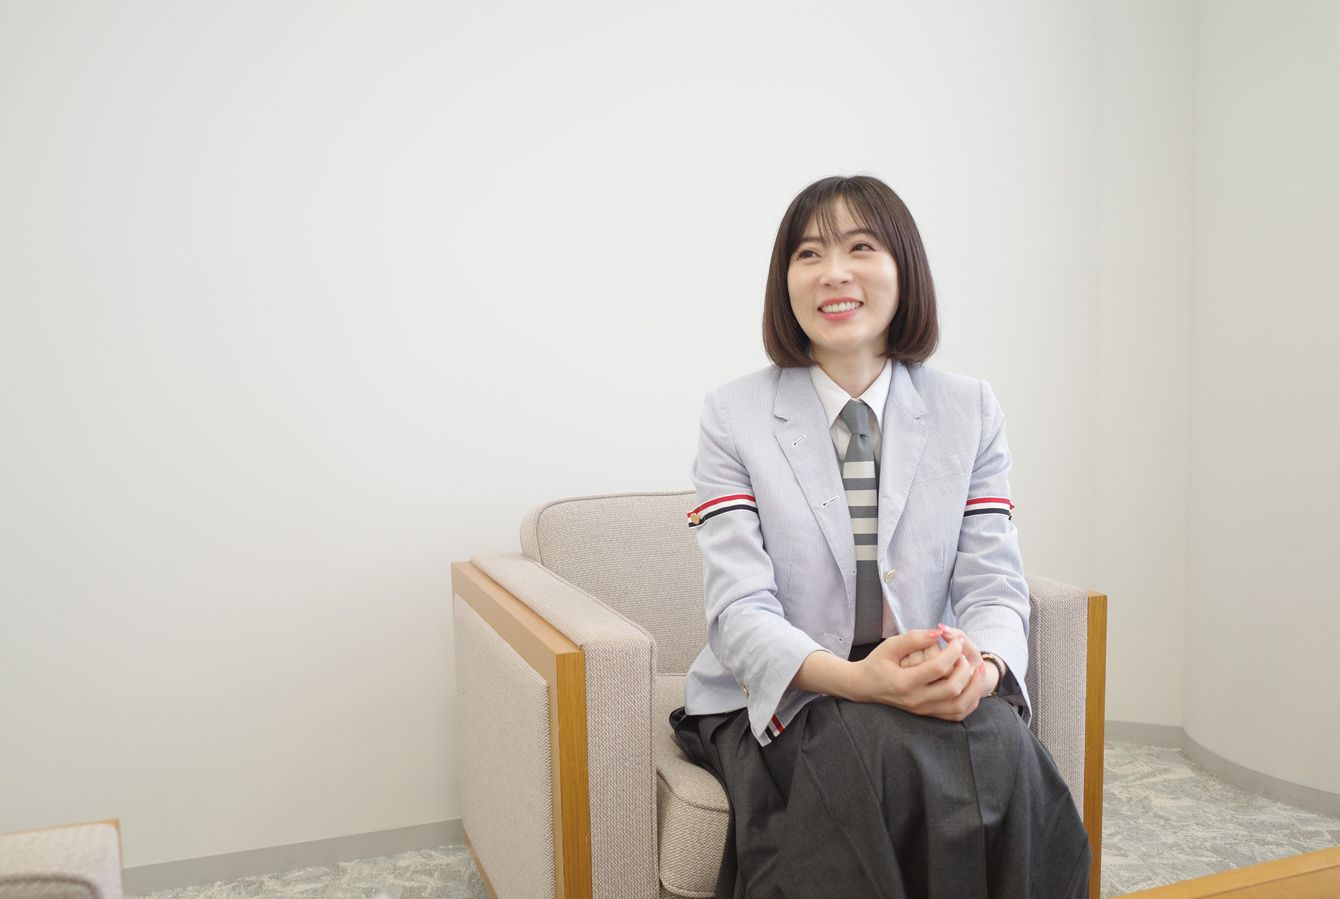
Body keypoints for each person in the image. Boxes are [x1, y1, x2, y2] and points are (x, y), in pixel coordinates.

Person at [671, 175, 1092, 898]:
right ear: (785, 282)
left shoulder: (970, 409)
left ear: (904, 269)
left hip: (919, 671)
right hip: (792, 686)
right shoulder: (733, 415)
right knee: (867, 747)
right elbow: (739, 612)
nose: (834, 272)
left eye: (860, 247)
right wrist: (859, 679)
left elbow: (994, 583)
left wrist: (983, 670)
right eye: (809, 254)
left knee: (1002, 741)